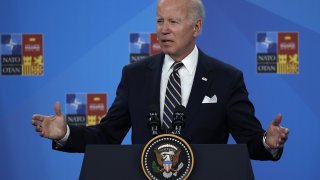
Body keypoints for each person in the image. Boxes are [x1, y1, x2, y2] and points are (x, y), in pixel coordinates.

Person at [32, 0, 289, 160]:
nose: (163, 29)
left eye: (173, 22)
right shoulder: (134, 75)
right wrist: (65, 133)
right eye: (159, 21)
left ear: (196, 27)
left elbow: (250, 142)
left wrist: (269, 141)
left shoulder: (226, 78)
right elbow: (107, 136)